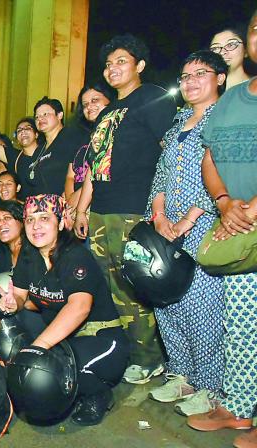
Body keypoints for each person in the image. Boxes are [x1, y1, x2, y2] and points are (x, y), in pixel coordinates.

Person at [73, 34, 177, 384]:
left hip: (133, 209)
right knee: (116, 290)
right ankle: (135, 352)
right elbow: (94, 164)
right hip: (101, 212)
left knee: (137, 288)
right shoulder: (106, 112)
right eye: (108, 63)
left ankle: (151, 359)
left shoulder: (152, 98)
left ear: (139, 66)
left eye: (121, 61)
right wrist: (81, 210)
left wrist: (165, 205)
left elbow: (171, 153)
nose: (112, 68)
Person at [0, 194, 129, 425]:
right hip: (63, 337)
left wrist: (38, 348)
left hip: (101, 338)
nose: (36, 226)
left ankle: (97, 393)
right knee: (5, 318)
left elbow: (79, 308)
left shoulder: (75, 256)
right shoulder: (29, 256)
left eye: (44, 218)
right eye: (30, 219)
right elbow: (20, 295)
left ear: (61, 222)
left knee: (52, 370)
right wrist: (11, 302)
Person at [144, 50, 227, 415]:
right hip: (167, 226)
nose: (190, 81)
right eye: (185, 75)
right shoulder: (177, 122)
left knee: (201, 305)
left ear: (220, 78)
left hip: (205, 224)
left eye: (200, 73)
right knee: (165, 298)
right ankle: (180, 373)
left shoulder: (224, 120)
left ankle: (210, 385)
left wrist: (188, 220)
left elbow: (223, 176)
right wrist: (159, 214)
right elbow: (160, 173)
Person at [190, 12, 257, 447]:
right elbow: (209, 158)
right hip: (236, 226)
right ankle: (239, 408)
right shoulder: (232, 100)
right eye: (255, 28)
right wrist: (225, 203)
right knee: (242, 325)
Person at [63, 83, 113, 229]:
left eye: (95, 100)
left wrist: (78, 200)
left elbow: (95, 172)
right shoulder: (81, 138)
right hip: (74, 207)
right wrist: (69, 201)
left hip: (95, 205)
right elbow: (70, 175)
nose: (89, 107)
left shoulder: (112, 133)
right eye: (85, 104)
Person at [210, 24, 250, 90]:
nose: (222, 52)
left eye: (231, 44)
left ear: (246, 50)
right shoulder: (206, 93)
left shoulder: (254, 88)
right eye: (216, 48)